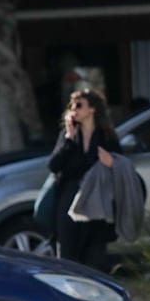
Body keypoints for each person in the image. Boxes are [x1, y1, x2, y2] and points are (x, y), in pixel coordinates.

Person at [48, 89, 122, 271]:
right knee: (67, 256)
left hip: (98, 200)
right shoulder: (69, 135)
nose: (74, 109)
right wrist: (69, 139)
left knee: (95, 257)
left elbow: (120, 166)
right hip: (70, 198)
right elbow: (54, 165)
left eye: (79, 105)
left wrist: (111, 162)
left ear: (92, 109)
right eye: (71, 105)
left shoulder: (106, 136)